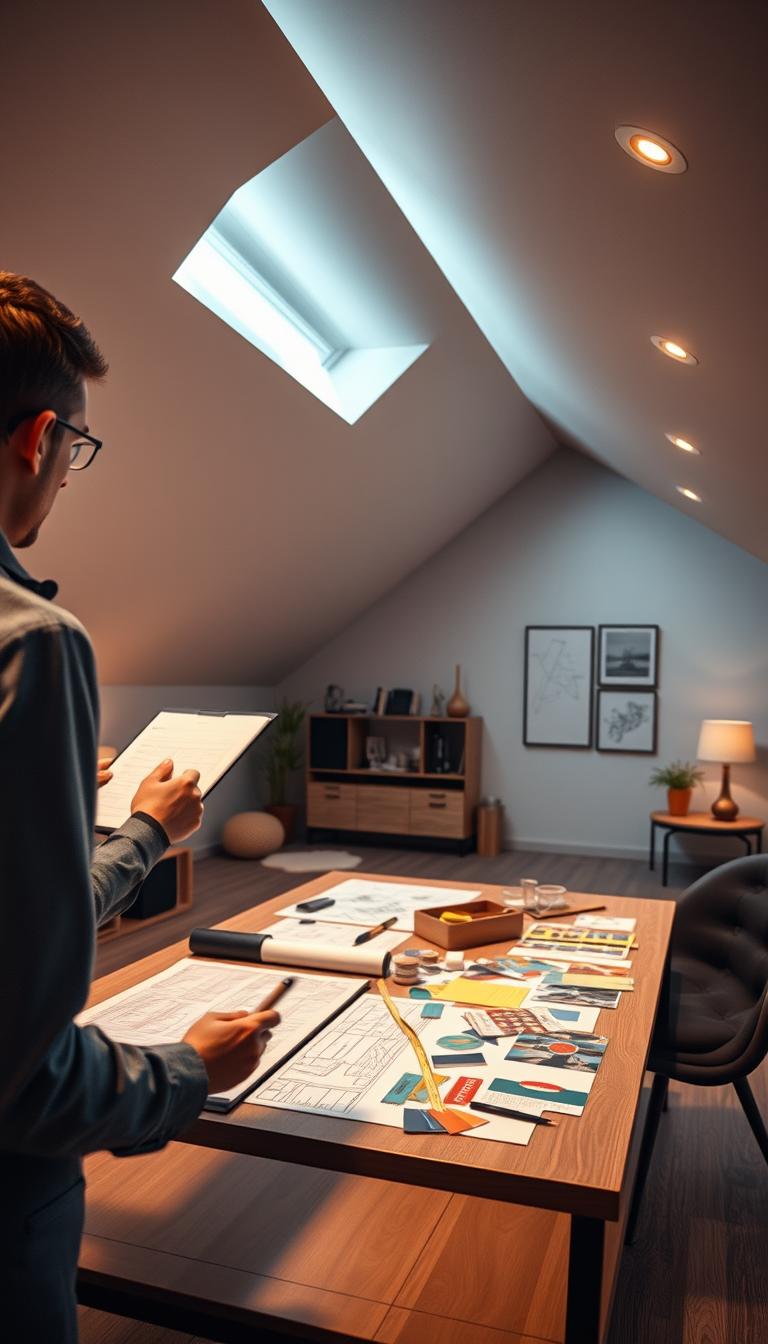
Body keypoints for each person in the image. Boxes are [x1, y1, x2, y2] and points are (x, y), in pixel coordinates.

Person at [0, 271, 279, 1340]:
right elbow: (23, 1077)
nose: (71, 473)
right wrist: (186, 1071)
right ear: (41, 440)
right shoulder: (35, 644)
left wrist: (143, 831)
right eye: (79, 446)